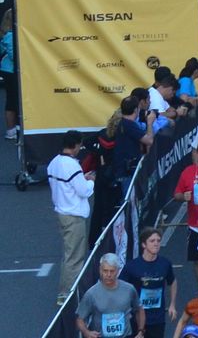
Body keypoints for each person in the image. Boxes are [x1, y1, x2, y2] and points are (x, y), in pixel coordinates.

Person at [50, 129, 96, 292]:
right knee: (75, 258)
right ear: (75, 146)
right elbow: (83, 191)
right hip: (74, 216)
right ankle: (67, 295)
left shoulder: (54, 163)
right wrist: (91, 182)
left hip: (62, 213)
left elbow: (68, 185)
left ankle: (68, 292)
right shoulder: (73, 165)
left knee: (69, 255)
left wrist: (81, 179)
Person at [74, 253, 139, 338]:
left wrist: (141, 330)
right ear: (100, 270)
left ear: (118, 271)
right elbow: (80, 319)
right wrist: (86, 332)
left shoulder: (129, 289)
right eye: (105, 271)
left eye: (112, 271)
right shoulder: (91, 293)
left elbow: (139, 309)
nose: (108, 275)